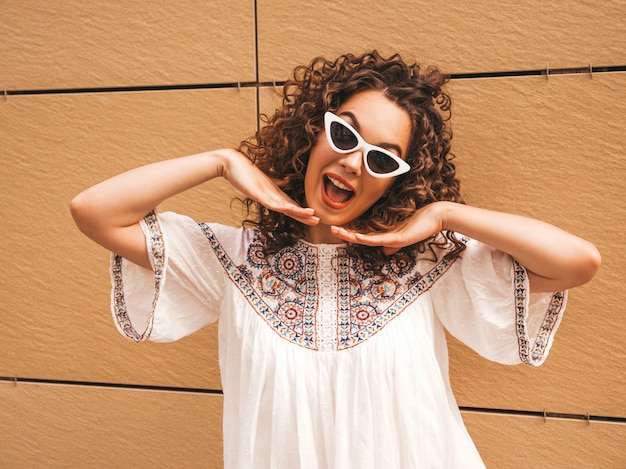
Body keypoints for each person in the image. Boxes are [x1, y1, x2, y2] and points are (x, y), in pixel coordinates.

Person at [70, 51, 601, 468]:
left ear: (398, 178)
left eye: (381, 156)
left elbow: (576, 262)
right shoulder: (231, 261)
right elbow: (94, 211)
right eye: (344, 133)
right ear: (314, 133)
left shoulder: (425, 264)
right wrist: (221, 162)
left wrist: (443, 215)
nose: (352, 161)